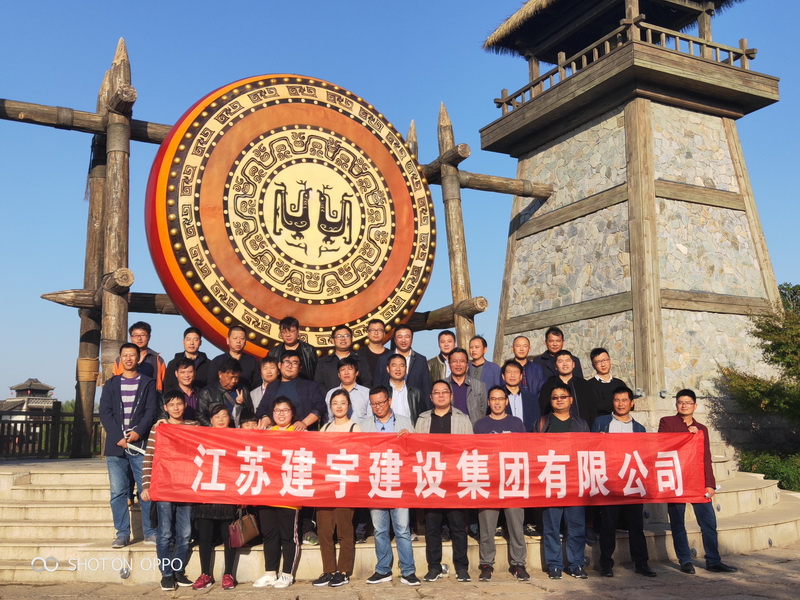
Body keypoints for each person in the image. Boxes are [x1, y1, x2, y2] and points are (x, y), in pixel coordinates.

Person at [659, 390, 738, 574]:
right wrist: (685, 434)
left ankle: (713, 560)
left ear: (695, 406)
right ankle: (685, 560)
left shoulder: (702, 428)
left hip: (697, 481)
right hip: (676, 480)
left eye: (688, 402)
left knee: (709, 522)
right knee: (678, 523)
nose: (684, 405)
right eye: (681, 402)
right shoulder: (667, 422)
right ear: (676, 405)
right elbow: (663, 444)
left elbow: (705, 457)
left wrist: (710, 483)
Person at [592, 386, 656, 578]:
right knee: (608, 525)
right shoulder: (601, 423)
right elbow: (590, 450)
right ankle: (606, 564)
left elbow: (644, 456)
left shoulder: (639, 428)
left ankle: (641, 563)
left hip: (632, 482)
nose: (621, 404)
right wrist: (597, 441)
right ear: (613, 402)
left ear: (632, 403)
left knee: (636, 525)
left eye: (624, 400)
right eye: (617, 400)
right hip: (609, 481)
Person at [99, 342, 158, 548]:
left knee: (146, 489)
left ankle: (150, 532)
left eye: (132, 355)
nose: (129, 359)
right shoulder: (111, 384)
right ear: (120, 358)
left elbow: (151, 411)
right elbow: (105, 412)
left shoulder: (148, 383)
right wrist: (118, 436)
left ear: (138, 358)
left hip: (140, 445)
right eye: (125, 355)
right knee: (118, 492)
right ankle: (122, 533)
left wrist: (138, 432)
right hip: (116, 446)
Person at [360, 386, 419, 586]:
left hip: (399, 483)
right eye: (373, 404)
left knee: (402, 528)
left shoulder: (404, 421)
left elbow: (416, 452)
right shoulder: (364, 425)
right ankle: (383, 569)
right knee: (379, 529)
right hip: (375, 482)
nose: (378, 407)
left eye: (381, 402)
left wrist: (409, 438)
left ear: (390, 401)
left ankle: (408, 571)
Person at [415, 380, 472, 582]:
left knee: (458, 526)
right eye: (436, 392)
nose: (441, 395)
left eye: (444, 392)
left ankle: (462, 567)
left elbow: (470, 449)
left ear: (451, 395)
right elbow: (416, 449)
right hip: (432, 480)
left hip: (455, 480)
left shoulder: (462, 419)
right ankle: (434, 566)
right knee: (432, 526)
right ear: (431, 397)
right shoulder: (423, 419)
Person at [141, 390, 198, 590]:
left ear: (185, 405)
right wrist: (146, 485)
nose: (176, 408)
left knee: (185, 533)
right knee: (164, 533)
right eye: (171, 404)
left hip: (186, 487)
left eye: (179, 404)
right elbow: (149, 457)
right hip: (164, 486)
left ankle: (178, 571)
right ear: (165, 408)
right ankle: (166, 574)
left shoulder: (194, 426)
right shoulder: (159, 428)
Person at [473, 386, 530, 582]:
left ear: (506, 401)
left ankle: (518, 564)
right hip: (488, 482)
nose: (497, 402)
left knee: (516, 526)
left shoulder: (516, 423)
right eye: (493, 399)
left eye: (500, 399)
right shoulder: (480, 425)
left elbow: (525, 450)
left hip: (512, 481)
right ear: (488, 402)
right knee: (487, 527)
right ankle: (486, 564)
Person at [534, 384, 589, 580]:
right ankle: (554, 565)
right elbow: (533, 451)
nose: (559, 400)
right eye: (555, 397)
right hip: (551, 482)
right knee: (551, 528)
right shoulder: (542, 423)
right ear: (550, 401)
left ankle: (576, 564)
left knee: (576, 527)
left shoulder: (581, 424)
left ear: (571, 400)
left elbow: (588, 451)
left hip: (574, 482)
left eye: (563, 396)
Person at [311, 389, 361, 588]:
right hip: (326, 486)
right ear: (330, 407)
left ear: (349, 405)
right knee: (324, 530)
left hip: (345, 486)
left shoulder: (355, 428)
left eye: (343, 402)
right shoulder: (325, 428)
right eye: (335, 403)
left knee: (344, 529)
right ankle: (328, 570)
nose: (339, 406)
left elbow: (359, 456)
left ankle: (343, 571)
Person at [253, 398, 302, 589]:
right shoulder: (266, 433)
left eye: (285, 410)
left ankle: (287, 574)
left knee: (288, 536)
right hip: (267, 492)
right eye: (277, 410)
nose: (281, 414)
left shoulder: (300, 433)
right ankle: (270, 573)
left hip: (289, 493)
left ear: (292, 412)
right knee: (269, 535)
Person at [191, 404, 241, 590]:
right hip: (206, 493)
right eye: (216, 416)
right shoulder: (202, 435)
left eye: (224, 415)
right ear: (210, 420)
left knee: (229, 537)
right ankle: (205, 574)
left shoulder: (236, 438)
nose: (220, 419)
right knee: (204, 537)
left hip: (227, 494)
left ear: (230, 418)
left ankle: (228, 574)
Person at [255, 351, 327, 431]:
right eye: (286, 362)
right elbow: (261, 409)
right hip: (276, 433)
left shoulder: (310, 386)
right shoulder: (272, 386)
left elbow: (320, 407)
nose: (290, 366)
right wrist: (265, 417)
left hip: (303, 433)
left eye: (294, 363)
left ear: (300, 367)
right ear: (279, 365)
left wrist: (304, 423)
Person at [539, 350, 598, 429]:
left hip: (582, 429)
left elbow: (592, 410)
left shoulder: (585, 385)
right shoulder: (548, 386)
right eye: (560, 361)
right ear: (555, 366)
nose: (565, 364)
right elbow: (544, 411)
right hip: (556, 429)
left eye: (567, 360)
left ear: (573, 364)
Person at [375, 324, 432, 401]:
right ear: (394, 339)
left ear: (412, 339)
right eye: (400, 337)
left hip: (414, 404)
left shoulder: (421, 360)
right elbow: (377, 385)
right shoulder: (383, 359)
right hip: (390, 403)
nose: (403, 340)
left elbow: (426, 388)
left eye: (407, 337)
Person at [195, 358, 255, 427]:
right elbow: (200, 415)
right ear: (220, 374)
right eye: (230, 378)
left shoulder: (243, 389)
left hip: (238, 430)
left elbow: (250, 412)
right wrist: (213, 427)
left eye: (236, 378)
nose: (233, 381)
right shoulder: (207, 392)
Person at [112, 321, 167, 391]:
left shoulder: (157, 360)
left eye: (143, 335)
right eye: (135, 335)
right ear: (131, 338)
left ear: (149, 337)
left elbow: (164, 383)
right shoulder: (120, 360)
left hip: (151, 396)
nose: (139, 338)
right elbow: (114, 383)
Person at [315, 325, 372, 392]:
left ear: (351, 339)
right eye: (339, 336)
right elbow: (319, 385)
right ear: (333, 340)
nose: (343, 338)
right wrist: (331, 397)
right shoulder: (324, 362)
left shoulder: (360, 360)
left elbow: (367, 382)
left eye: (346, 335)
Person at [209, 324, 261, 390]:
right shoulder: (217, 361)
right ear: (228, 340)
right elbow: (211, 385)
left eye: (242, 338)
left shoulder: (252, 361)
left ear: (245, 342)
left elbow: (257, 386)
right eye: (235, 338)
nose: (238, 341)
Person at [445, 347, 487, 427]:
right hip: (449, 429)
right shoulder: (442, 385)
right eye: (454, 361)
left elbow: (483, 410)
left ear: (467, 364)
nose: (458, 364)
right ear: (449, 364)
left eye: (462, 361)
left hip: (473, 429)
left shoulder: (479, 385)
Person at [323, 357, 370, 423]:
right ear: (339, 375)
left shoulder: (366, 393)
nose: (346, 372)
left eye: (350, 369)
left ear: (356, 373)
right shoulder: (331, 393)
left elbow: (370, 418)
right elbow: (330, 418)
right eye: (342, 369)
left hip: (361, 429)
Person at [163, 326, 210, 392]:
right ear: (183, 342)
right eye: (188, 339)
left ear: (200, 342)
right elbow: (168, 387)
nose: (191, 343)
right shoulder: (173, 363)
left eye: (195, 340)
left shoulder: (208, 364)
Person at [385, 353, 427, 425]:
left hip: (410, 430)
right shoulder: (382, 392)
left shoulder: (415, 393)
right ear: (388, 369)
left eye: (401, 365)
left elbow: (422, 417)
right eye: (394, 365)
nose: (398, 369)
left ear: (406, 368)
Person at [500, 359, 540, 431]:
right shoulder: (497, 397)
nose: (512, 375)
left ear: (521, 376)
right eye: (509, 372)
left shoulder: (531, 398)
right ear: (503, 376)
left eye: (516, 372)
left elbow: (536, 421)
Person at [586, 347, 628, 416]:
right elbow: (594, 407)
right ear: (593, 365)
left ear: (610, 361)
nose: (603, 364)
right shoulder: (588, 386)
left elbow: (629, 404)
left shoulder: (620, 384)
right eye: (598, 362)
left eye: (605, 360)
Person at [356, 319, 389, 384]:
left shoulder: (391, 355)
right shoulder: (359, 354)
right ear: (368, 333)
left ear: (384, 333)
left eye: (379, 330)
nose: (376, 333)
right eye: (372, 330)